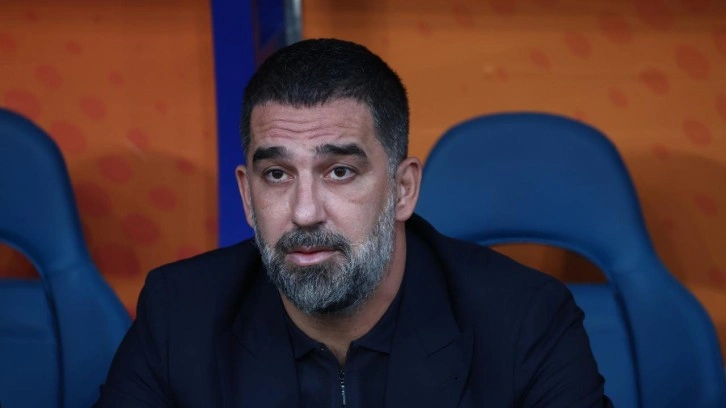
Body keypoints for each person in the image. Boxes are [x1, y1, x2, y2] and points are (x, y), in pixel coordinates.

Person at [96, 38, 611, 407]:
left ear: (403, 189)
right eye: (276, 174)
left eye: (339, 171)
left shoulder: (525, 321)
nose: (304, 212)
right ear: (247, 197)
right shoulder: (179, 315)